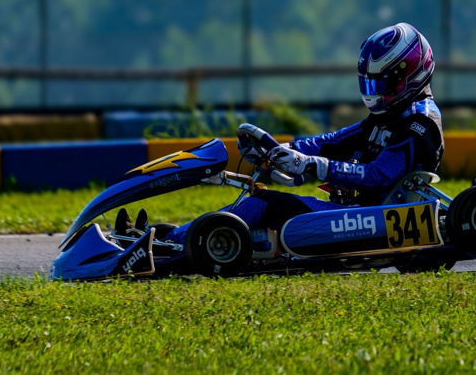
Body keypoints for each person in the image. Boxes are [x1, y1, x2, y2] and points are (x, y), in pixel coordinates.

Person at [122, 22, 444, 244]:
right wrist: (285, 150)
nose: (377, 92)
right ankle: (169, 237)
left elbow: (379, 175)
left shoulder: (419, 121)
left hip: (372, 218)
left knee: (264, 203)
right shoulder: (391, 115)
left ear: (410, 73)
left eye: (384, 83)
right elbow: (334, 142)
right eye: (372, 83)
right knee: (260, 203)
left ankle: (171, 240)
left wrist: (312, 165)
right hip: (360, 213)